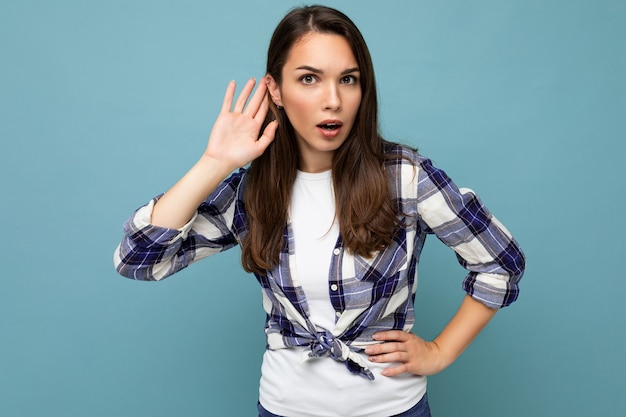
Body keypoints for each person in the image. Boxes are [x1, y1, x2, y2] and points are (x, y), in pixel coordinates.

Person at [114, 5, 525, 417]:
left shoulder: (405, 178)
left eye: (348, 80)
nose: (333, 101)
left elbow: (500, 262)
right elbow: (139, 259)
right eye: (309, 79)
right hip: (283, 408)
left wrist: (439, 352)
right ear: (275, 90)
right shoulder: (251, 192)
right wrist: (214, 162)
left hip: (394, 409)